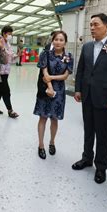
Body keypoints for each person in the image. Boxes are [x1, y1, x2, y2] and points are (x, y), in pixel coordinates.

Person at [72, 13, 107, 184]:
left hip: (105, 98)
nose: (92, 28)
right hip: (87, 96)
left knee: (103, 134)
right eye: (91, 25)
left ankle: (101, 167)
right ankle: (87, 158)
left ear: (106, 26)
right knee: (88, 130)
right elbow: (81, 70)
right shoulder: (87, 47)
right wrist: (78, 89)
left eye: (96, 24)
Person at [33, 31, 73, 159]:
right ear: (52, 41)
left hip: (59, 92)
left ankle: (52, 142)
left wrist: (52, 77)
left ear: (65, 42)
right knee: (43, 117)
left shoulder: (69, 56)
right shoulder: (45, 54)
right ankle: (41, 145)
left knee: (54, 118)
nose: (58, 42)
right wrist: (50, 88)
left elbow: (66, 75)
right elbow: (44, 72)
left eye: (61, 40)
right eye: (56, 39)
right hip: (46, 89)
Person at [0, 25, 19, 118]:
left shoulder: (8, 43)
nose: (10, 36)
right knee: (6, 91)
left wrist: (17, 55)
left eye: (11, 34)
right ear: (4, 33)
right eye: (9, 34)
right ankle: (10, 110)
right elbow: (2, 54)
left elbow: (10, 55)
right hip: (0, 71)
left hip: (6, 71)